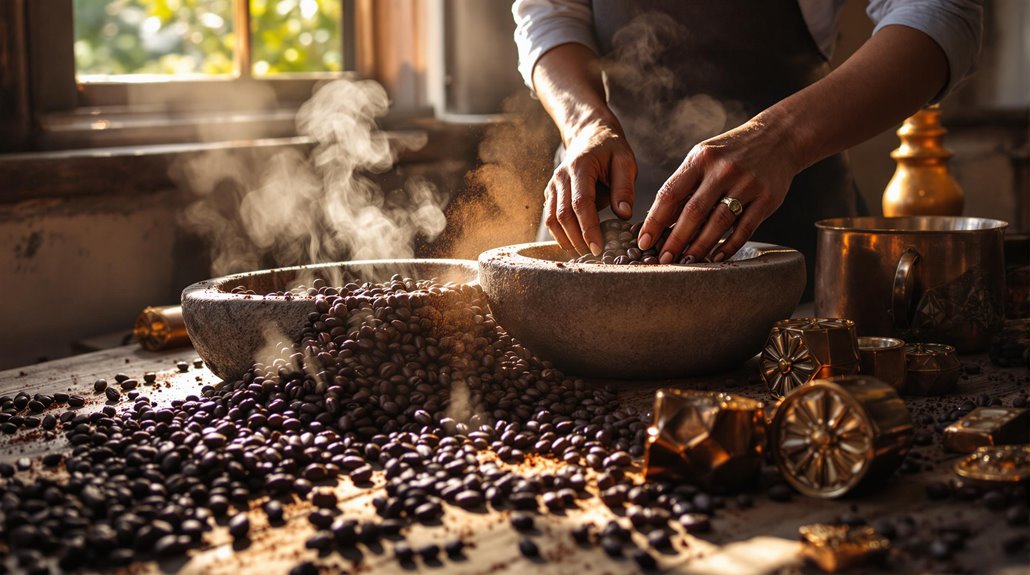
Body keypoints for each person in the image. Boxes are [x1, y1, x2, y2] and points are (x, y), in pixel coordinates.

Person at [513, 0, 983, 284]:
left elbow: (941, 14)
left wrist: (783, 138)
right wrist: (584, 125)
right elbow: (548, 15)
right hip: (597, 205)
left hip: (790, 224)